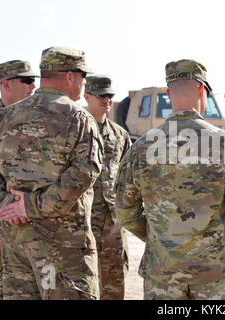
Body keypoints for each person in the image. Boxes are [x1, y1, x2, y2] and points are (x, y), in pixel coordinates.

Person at [115, 59, 225, 300]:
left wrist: (161, 236)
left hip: (162, 272)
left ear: (168, 94)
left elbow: (124, 210)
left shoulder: (140, 148)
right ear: (202, 90)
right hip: (213, 272)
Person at [0, 46, 103, 300]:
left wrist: (7, 205)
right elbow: (86, 171)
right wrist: (32, 206)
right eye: (82, 77)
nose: (84, 83)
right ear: (70, 76)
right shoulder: (78, 117)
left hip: (16, 245)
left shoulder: (4, 117)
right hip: (63, 247)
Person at [0, 60, 38, 299]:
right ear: (6, 84)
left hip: (35, 225)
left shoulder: (39, 120)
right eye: (27, 80)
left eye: (34, 80)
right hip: (0, 230)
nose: (33, 85)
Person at [85, 74, 131, 299]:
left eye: (110, 95)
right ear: (87, 97)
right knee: (83, 282)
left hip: (113, 222)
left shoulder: (120, 134)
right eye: (101, 95)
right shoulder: (77, 129)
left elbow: (128, 175)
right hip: (83, 220)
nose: (107, 100)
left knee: (114, 284)